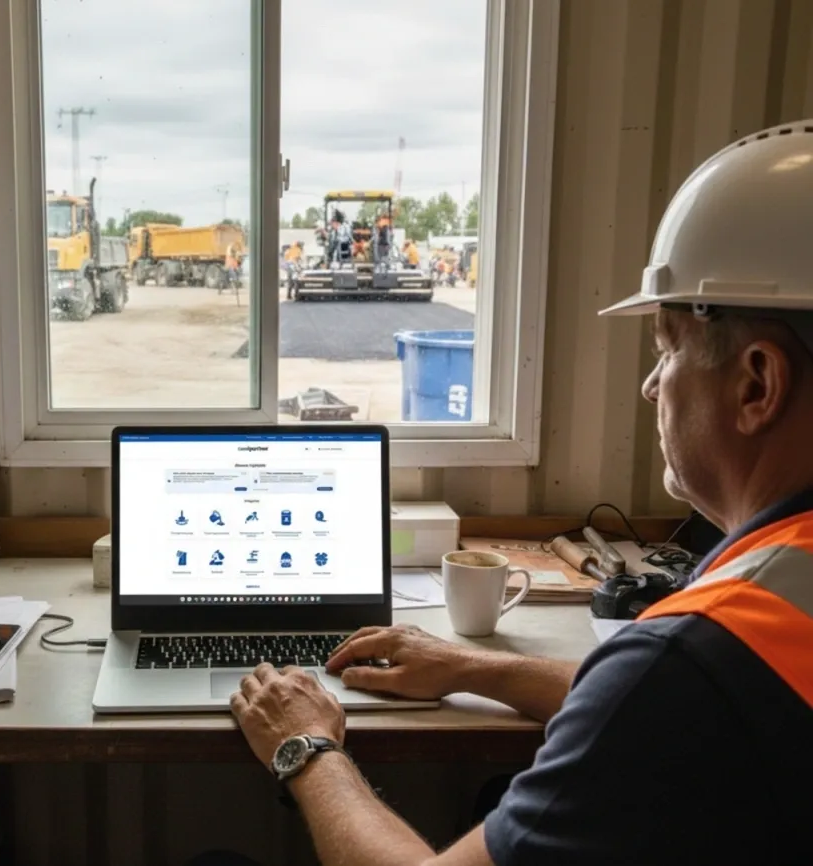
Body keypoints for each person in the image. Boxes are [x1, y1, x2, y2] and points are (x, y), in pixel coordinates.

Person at [225, 121, 813, 864]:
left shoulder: (691, 662)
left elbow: (666, 695)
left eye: (666, 350)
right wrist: (475, 668)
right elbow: (669, 703)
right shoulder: (748, 624)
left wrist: (306, 750)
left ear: (757, 383)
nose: (649, 385)